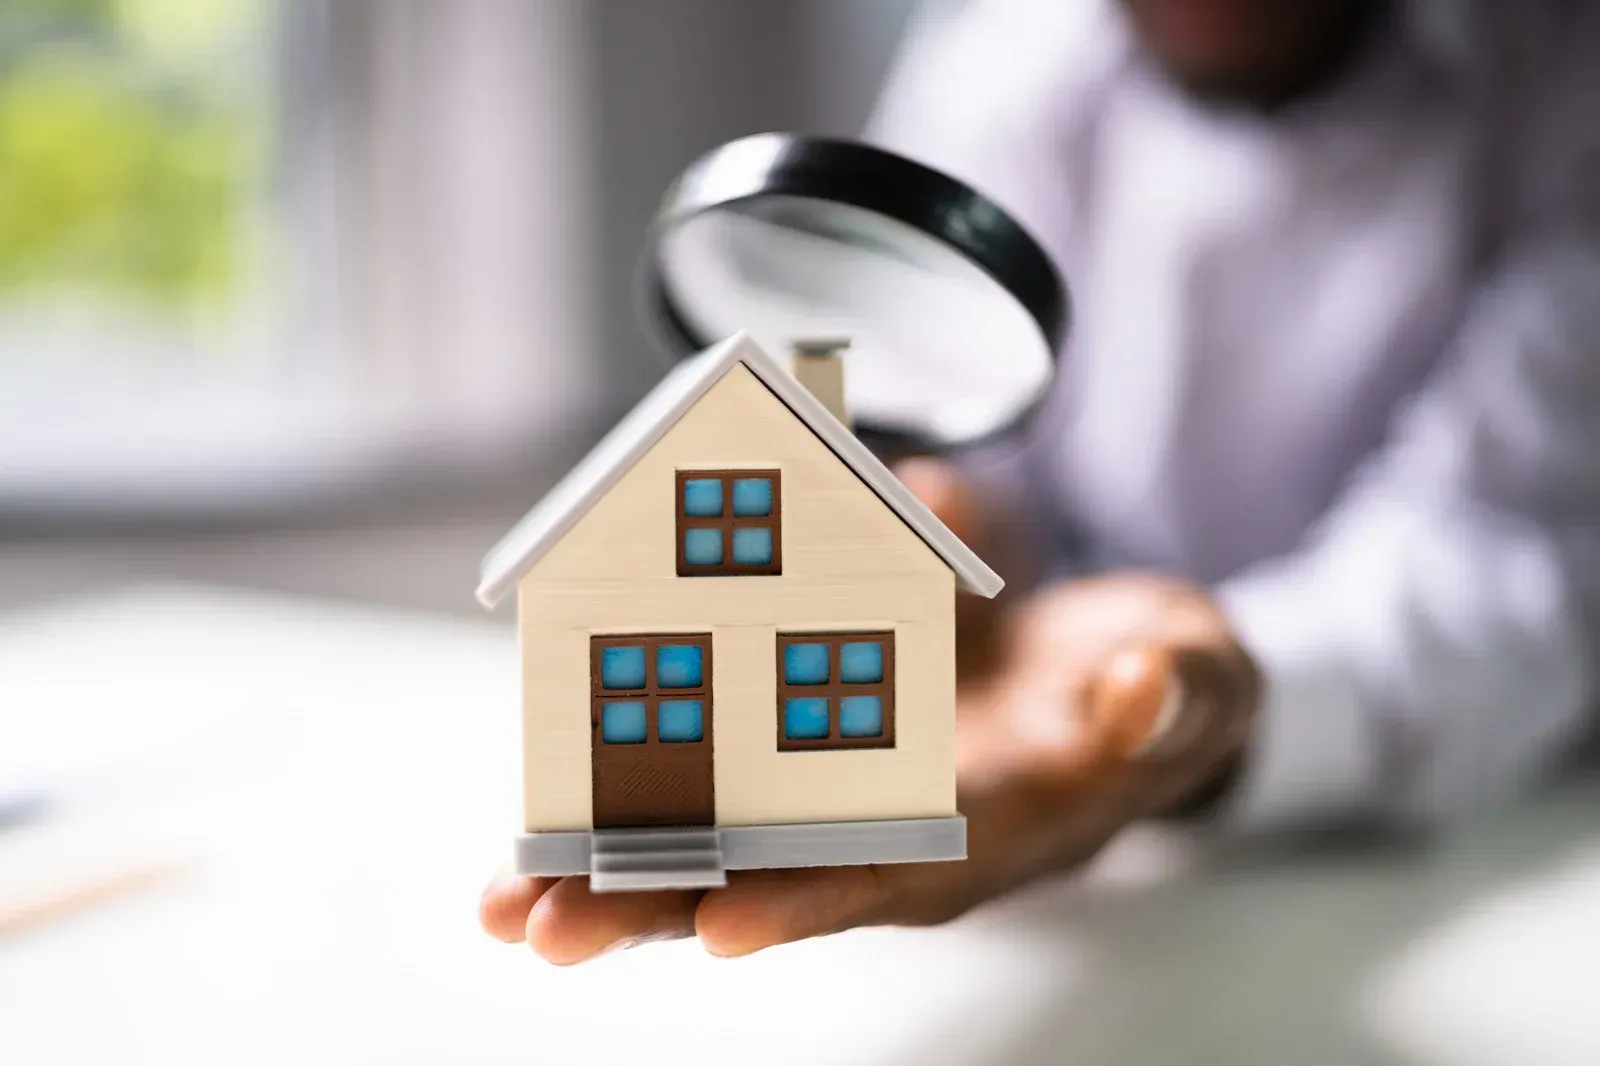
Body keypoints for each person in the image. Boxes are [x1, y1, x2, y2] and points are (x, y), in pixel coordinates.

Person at [482, 0, 1600, 963]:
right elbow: (955, 430)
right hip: (1110, 911)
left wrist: (1209, 706)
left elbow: (1508, 549)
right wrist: (964, 523)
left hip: (1514, 856)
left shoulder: (1565, 87)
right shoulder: (1000, 57)